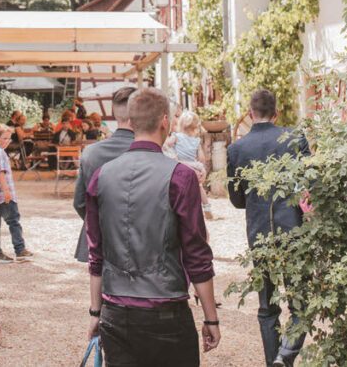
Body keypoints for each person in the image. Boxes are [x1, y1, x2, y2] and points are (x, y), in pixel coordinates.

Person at [85, 88, 221, 366]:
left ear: (130, 123)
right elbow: (196, 252)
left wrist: (96, 313)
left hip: (117, 308)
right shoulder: (180, 177)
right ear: (165, 122)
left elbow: (96, 253)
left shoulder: (101, 176)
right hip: (165, 309)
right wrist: (210, 317)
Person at [227, 89, 310, 367]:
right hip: (293, 231)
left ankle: (273, 362)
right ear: (276, 114)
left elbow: (237, 200)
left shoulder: (236, 149)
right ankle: (285, 357)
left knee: (267, 307)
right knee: (300, 305)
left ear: (251, 114)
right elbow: (309, 186)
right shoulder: (295, 139)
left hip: (260, 233)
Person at [72, 86, 136, 262]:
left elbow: (79, 202)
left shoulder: (91, 153)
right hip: (140, 239)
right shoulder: (152, 151)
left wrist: (96, 222)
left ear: (113, 113)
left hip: (99, 235)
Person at [0, 125, 33, 263]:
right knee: (13, 221)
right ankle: (20, 249)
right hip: (1, 194)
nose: (8, 141)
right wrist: (6, 191)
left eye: (9, 139)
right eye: (5, 138)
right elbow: (1, 172)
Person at [164, 110, 213, 219]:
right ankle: (206, 207)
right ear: (196, 127)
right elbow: (201, 158)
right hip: (194, 165)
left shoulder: (177, 136)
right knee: (199, 187)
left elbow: (168, 144)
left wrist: (170, 147)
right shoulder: (196, 141)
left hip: (181, 164)